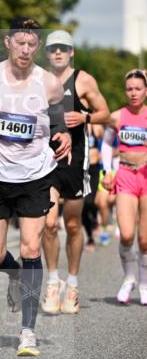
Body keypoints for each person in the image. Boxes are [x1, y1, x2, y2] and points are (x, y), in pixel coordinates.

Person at [0, 17, 72, 357]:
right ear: (7, 41)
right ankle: (13, 274)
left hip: (35, 174)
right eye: (20, 43)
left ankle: (28, 331)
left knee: (31, 248)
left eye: (32, 44)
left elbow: (58, 112)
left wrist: (64, 133)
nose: (25, 50)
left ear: (36, 46)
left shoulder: (49, 83)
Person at [40, 30, 110, 313]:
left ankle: (73, 284)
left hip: (75, 162)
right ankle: (53, 284)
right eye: (53, 48)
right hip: (45, 162)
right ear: (46, 53)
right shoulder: (37, 79)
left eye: (63, 48)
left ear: (72, 53)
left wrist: (86, 117)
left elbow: (105, 112)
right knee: (49, 223)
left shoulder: (83, 80)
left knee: (72, 224)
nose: (58, 52)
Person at [101, 69, 147, 305]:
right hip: (126, 175)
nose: (133, 93)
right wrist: (106, 170)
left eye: (138, 88)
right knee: (127, 234)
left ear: (146, 91)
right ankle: (129, 278)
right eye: (129, 89)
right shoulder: (117, 116)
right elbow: (107, 144)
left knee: (145, 240)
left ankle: (144, 282)